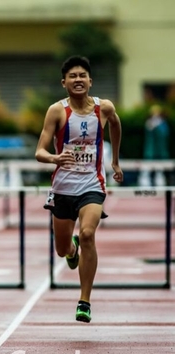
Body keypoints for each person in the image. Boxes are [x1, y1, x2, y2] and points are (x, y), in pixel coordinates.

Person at [35, 55, 123, 323]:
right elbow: (39, 151)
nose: (78, 80)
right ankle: (71, 251)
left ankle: (84, 300)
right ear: (64, 83)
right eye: (72, 76)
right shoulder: (57, 111)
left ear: (90, 81)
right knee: (62, 250)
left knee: (87, 234)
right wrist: (54, 158)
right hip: (63, 188)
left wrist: (115, 161)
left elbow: (117, 126)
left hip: (92, 185)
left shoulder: (104, 108)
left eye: (82, 75)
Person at [139, 104, 170, 186]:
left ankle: (160, 183)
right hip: (150, 151)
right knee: (146, 169)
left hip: (160, 151)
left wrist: (158, 125)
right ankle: (144, 184)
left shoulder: (163, 123)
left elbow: (164, 134)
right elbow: (148, 133)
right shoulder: (149, 123)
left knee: (160, 170)